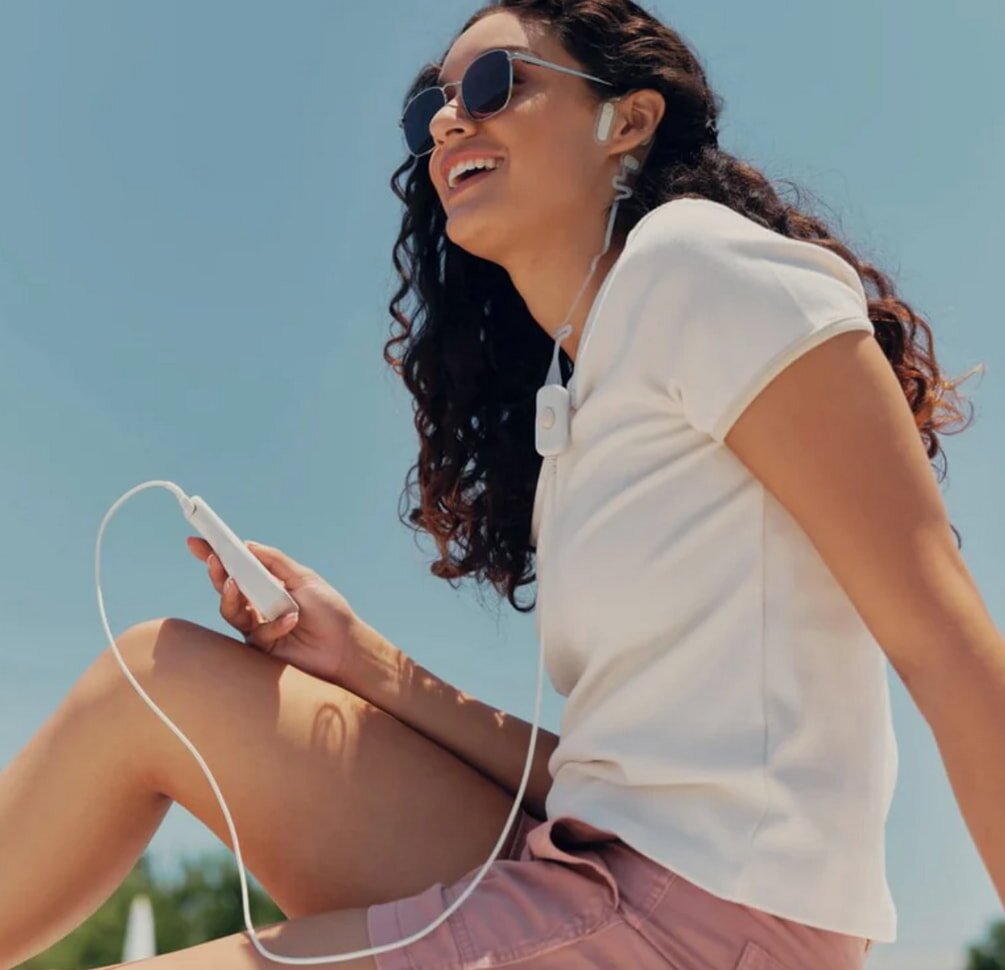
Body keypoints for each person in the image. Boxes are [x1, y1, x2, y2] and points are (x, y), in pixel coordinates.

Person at [2, 2, 993, 969]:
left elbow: (943, 642)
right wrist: (358, 659)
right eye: (428, 107)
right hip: (591, 870)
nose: (447, 121)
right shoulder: (589, 382)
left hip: (702, 929)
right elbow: (618, 791)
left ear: (627, 121)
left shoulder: (699, 264)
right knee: (154, 678)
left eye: (492, 83)